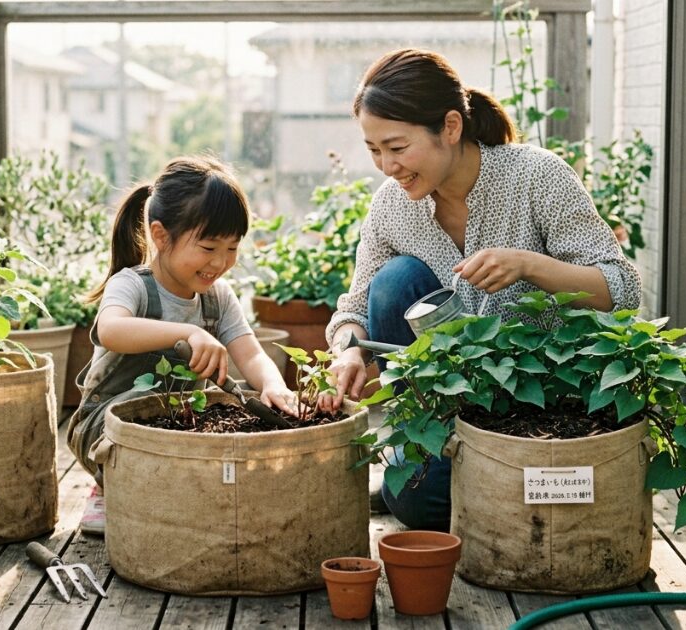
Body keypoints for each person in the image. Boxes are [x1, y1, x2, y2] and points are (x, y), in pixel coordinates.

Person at [318, 48, 641, 531]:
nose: (386, 165)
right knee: (395, 283)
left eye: (398, 147)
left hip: (536, 398)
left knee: (492, 504)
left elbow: (622, 288)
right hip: (442, 406)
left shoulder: (536, 176)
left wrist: (530, 265)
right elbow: (359, 304)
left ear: (450, 127)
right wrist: (347, 351)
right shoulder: (391, 206)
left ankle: (460, 481)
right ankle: (424, 463)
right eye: (373, 150)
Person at [66, 156, 299, 536]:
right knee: (141, 450)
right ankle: (107, 486)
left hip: (179, 426)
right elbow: (110, 329)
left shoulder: (217, 298)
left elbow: (251, 352)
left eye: (232, 249)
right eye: (208, 247)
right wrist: (187, 333)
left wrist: (273, 385)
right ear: (160, 236)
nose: (221, 262)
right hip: (108, 427)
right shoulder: (133, 286)